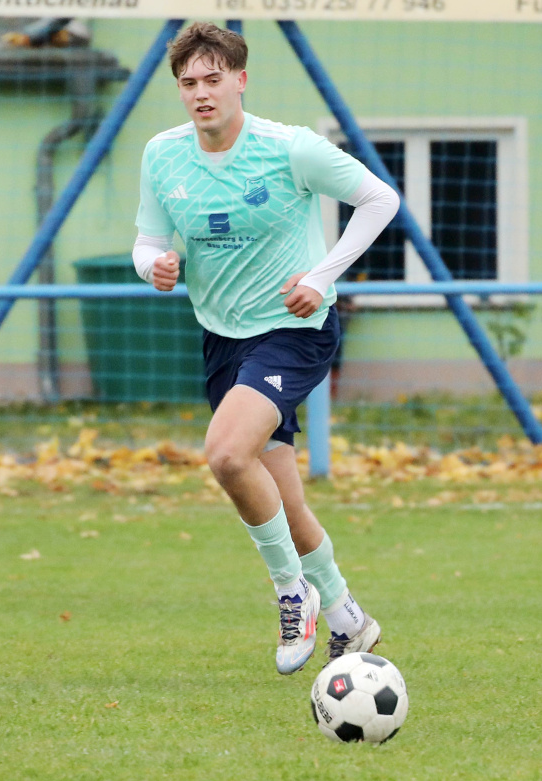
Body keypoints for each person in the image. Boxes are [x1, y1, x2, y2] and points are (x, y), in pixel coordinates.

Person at [132, 22, 400, 675]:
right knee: (280, 496)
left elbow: (379, 199)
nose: (201, 93)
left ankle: (292, 593)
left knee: (226, 453)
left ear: (240, 80)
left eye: (213, 79)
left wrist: (321, 275)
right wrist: (153, 265)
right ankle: (348, 617)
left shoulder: (289, 149)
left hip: (293, 329)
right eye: (189, 82)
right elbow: (147, 239)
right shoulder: (163, 156)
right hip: (223, 338)